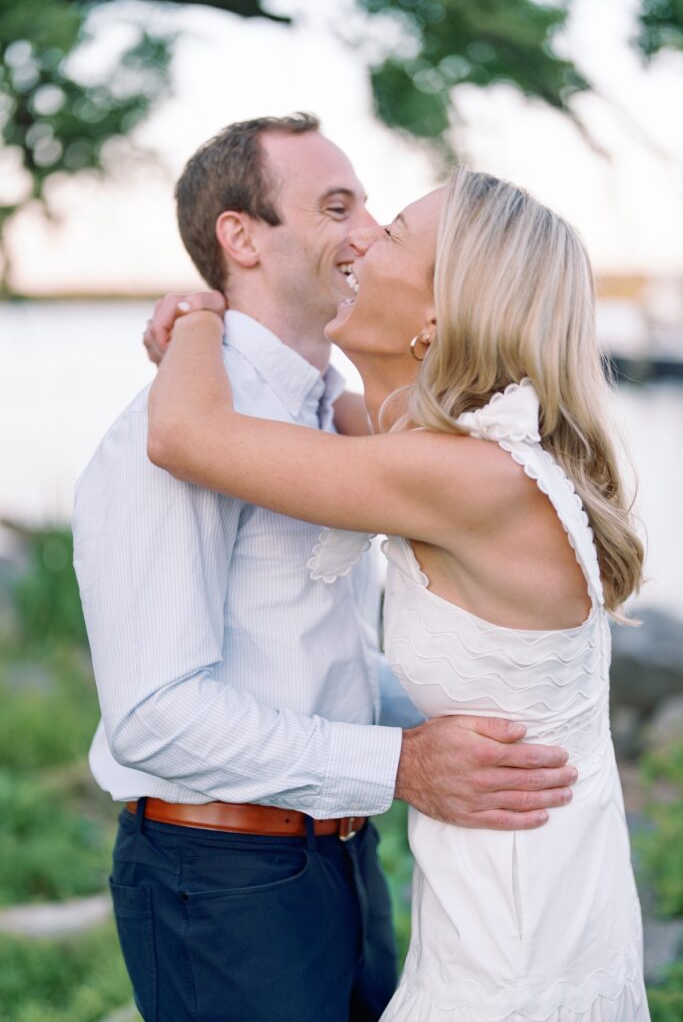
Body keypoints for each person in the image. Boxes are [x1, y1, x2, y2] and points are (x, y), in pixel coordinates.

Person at [73, 115, 575, 1022]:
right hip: (222, 881)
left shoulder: (334, 427)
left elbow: (316, 656)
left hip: (340, 856)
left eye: (372, 211)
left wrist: (454, 728)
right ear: (240, 237)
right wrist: (402, 764)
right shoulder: (169, 437)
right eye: (336, 206)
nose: (365, 233)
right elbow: (153, 717)